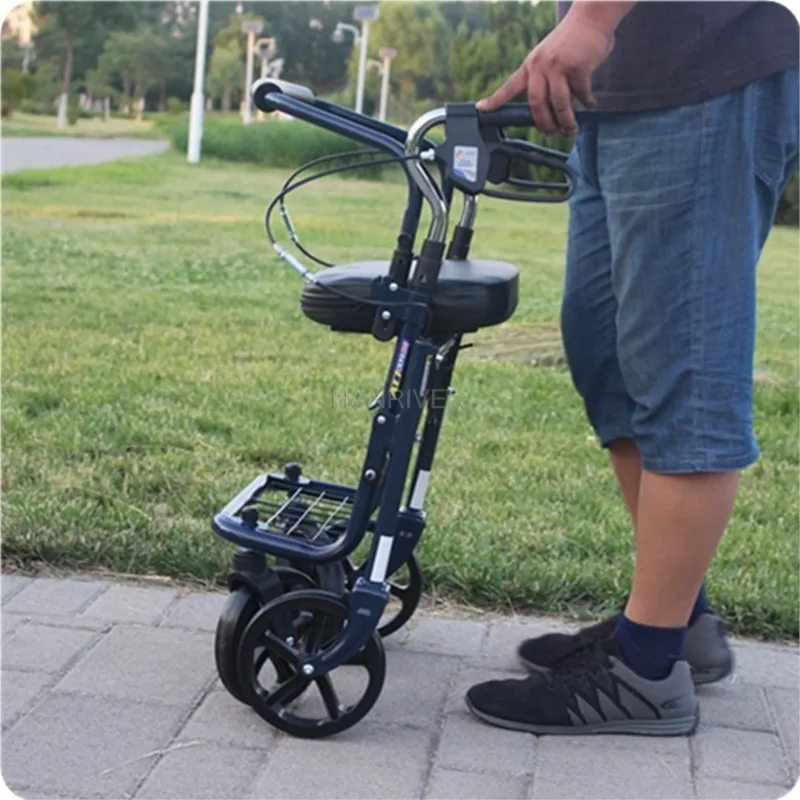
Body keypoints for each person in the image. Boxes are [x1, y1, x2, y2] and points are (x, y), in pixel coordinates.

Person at [464, 0, 799, 736]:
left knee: (686, 372)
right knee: (607, 353)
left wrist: (592, 18)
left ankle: (646, 673)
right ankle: (681, 626)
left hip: (702, 75)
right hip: (624, 88)